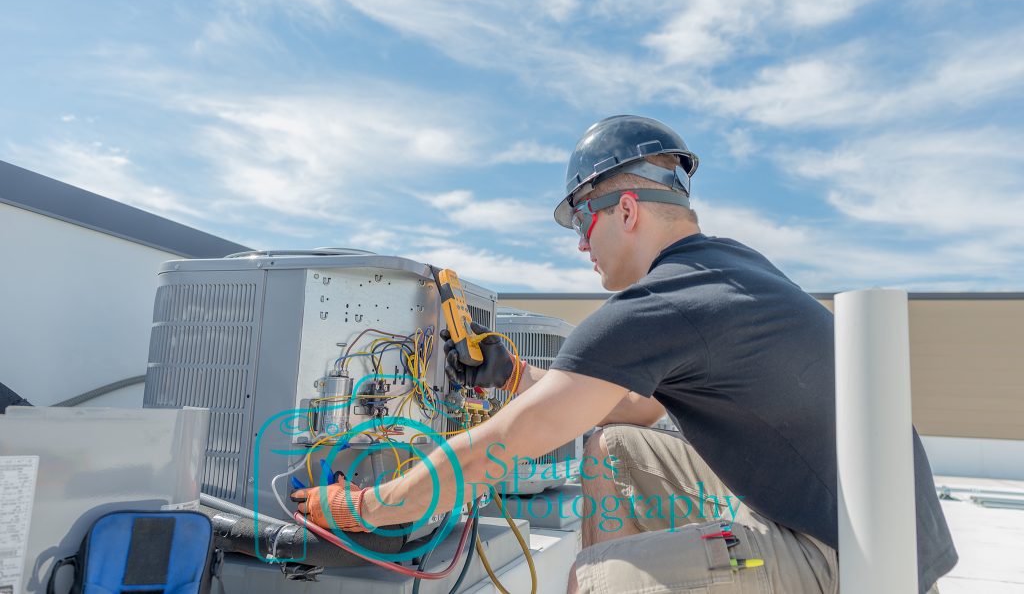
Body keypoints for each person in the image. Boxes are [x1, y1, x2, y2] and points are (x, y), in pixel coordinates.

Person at [293, 115, 958, 593]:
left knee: (596, 577)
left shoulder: (659, 306)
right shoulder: (727, 271)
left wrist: (367, 505)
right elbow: (631, 411)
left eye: (583, 220)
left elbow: (510, 440)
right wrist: (517, 374)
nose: (582, 244)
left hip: (855, 565)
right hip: (882, 530)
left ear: (628, 209)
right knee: (613, 447)